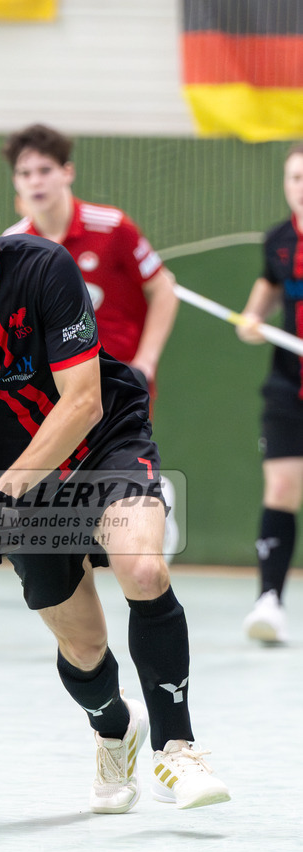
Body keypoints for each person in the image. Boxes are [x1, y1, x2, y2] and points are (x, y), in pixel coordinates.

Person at [0, 179, 230, 813]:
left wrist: (1, 492)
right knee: (81, 647)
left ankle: (176, 749)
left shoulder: (42, 269)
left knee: (141, 564)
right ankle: (116, 731)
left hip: (103, 444)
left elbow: (82, 403)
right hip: (21, 489)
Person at [0, 124, 179, 601]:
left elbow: (164, 290)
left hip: (114, 389)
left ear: (66, 173)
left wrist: (147, 360)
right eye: (25, 172)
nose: (36, 180)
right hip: (47, 391)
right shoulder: (11, 245)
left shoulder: (111, 227)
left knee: (108, 478)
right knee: (17, 465)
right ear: (15, 184)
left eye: (45, 170)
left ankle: (135, 532)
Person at [237, 142, 303, 645]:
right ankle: (269, 601)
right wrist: (252, 321)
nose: (300, 187)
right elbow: (259, 302)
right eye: (295, 178)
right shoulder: (279, 240)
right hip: (288, 384)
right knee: (280, 489)